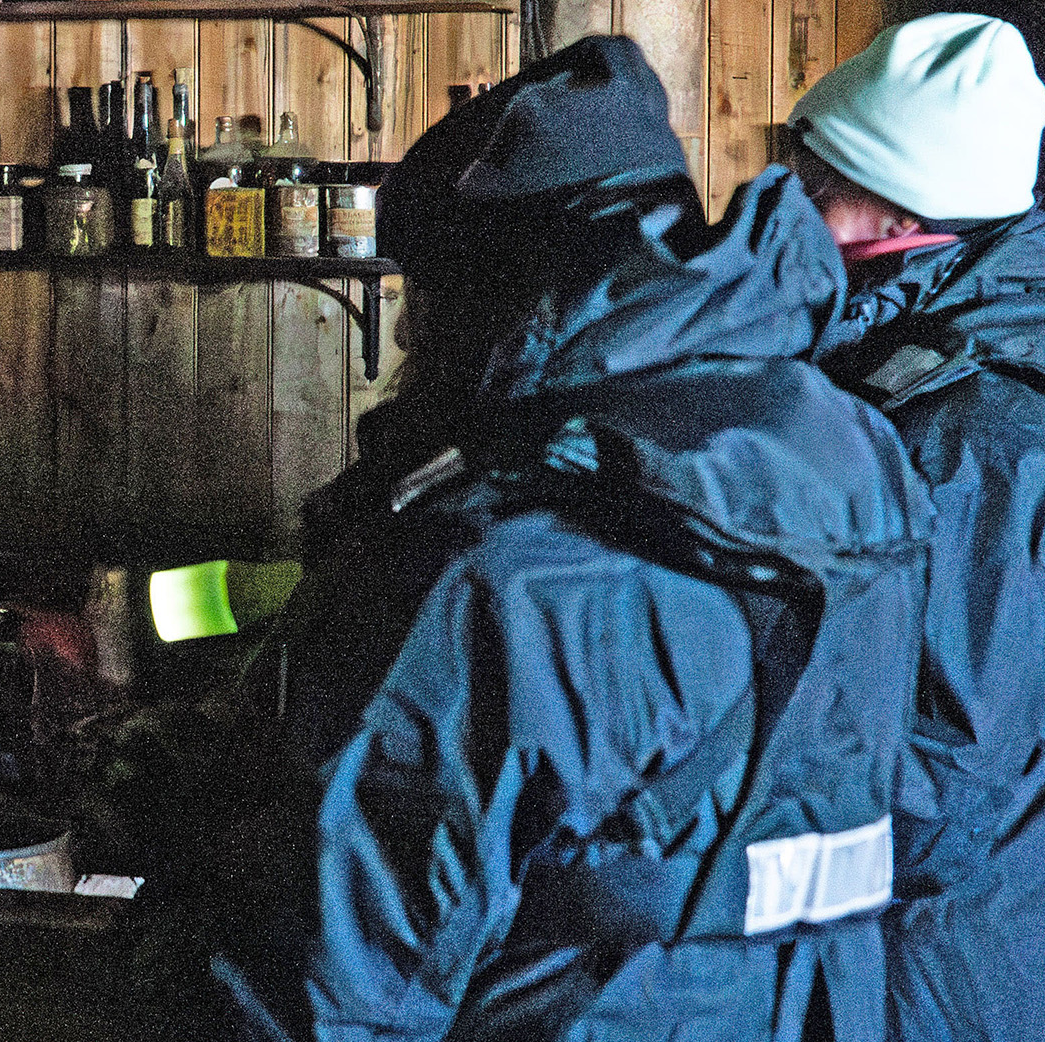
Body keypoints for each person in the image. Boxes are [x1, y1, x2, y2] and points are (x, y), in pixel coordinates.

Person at [208, 35, 932, 1042]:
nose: (412, 338)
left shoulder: (504, 569)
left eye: (430, 298)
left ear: (500, 294)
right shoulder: (850, 454)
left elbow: (330, 986)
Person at [783, 14, 1045, 1042]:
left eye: (815, 184)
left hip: (978, 943)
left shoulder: (974, 437)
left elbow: (931, 778)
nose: (789, 209)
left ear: (899, 209)